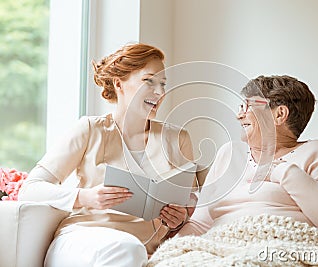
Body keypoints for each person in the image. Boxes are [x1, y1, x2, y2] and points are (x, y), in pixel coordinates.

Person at [19, 43, 194, 267]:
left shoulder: (178, 139)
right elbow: (30, 189)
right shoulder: (90, 129)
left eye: (163, 84)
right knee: (127, 250)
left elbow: (186, 209)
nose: (160, 93)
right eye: (149, 81)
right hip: (81, 239)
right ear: (119, 83)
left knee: (131, 250)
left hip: (141, 248)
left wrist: (178, 218)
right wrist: (85, 197)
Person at [177, 75, 318, 239]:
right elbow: (200, 224)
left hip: (281, 245)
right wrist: (169, 251)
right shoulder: (230, 153)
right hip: (218, 244)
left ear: (279, 114)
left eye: (248, 107)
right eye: (241, 107)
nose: (239, 115)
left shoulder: (315, 151)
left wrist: (282, 172)